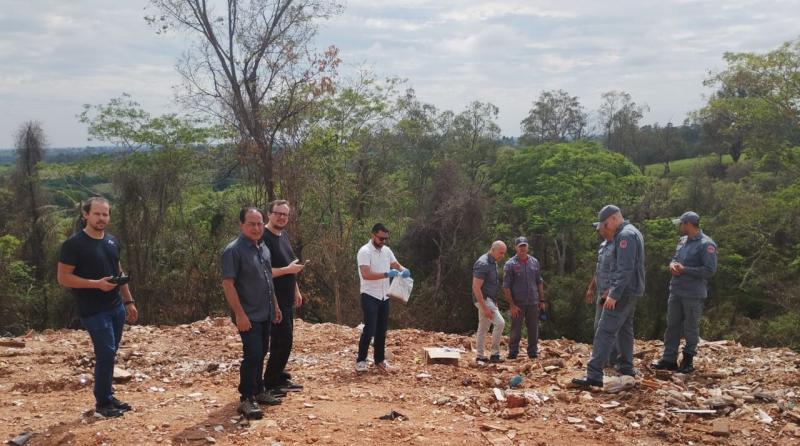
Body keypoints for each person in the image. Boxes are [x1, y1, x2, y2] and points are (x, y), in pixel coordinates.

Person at [57, 197, 139, 418]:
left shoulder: (112, 241)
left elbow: (119, 272)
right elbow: (64, 278)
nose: (102, 218)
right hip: (93, 310)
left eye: (105, 214)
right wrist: (96, 285)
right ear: (86, 215)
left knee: (110, 354)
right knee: (105, 354)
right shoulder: (74, 244)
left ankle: (109, 397)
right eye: (97, 214)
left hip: (116, 308)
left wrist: (129, 301)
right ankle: (102, 402)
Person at [573, 205, 645, 388]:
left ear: (613, 219)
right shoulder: (629, 232)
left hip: (622, 292)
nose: (604, 230)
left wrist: (613, 294)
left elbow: (625, 269)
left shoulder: (625, 236)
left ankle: (594, 374)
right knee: (625, 329)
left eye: (605, 225)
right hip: (629, 291)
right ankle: (626, 367)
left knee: (604, 330)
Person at [222, 207, 283, 419]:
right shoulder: (233, 250)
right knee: (253, 354)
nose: (257, 228)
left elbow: (268, 280)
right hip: (247, 314)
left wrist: (275, 305)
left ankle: (259, 390)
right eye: (251, 224)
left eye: (259, 223)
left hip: (265, 311)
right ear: (242, 225)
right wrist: (239, 314)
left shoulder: (263, 247)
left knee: (262, 351)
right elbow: (228, 284)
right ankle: (247, 398)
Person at [652, 211, 718, 373]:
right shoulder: (682, 241)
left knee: (690, 327)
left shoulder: (706, 244)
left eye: (681, 224)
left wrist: (685, 270)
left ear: (688, 224)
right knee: (672, 325)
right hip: (676, 290)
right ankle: (669, 359)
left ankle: (687, 361)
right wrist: (672, 265)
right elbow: (675, 258)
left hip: (693, 293)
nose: (680, 227)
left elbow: (710, 270)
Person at [263, 200, 306, 396]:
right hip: (273, 300)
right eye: (278, 213)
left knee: (285, 340)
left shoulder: (283, 235)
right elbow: (263, 271)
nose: (281, 217)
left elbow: (291, 265)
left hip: (287, 298)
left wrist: (296, 289)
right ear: (269, 214)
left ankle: (279, 376)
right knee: (281, 340)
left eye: (285, 215)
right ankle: (271, 382)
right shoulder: (263, 238)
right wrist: (288, 270)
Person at [355, 223, 410, 373]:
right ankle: (361, 360)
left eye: (386, 238)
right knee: (369, 329)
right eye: (380, 238)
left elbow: (395, 264)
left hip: (384, 295)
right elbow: (366, 274)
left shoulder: (386, 251)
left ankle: (379, 360)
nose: (383, 241)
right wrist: (386, 274)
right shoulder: (364, 251)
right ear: (373, 235)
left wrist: (403, 270)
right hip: (369, 295)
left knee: (381, 330)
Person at [502, 237, 545, 359]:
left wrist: (542, 300)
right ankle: (513, 352)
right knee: (515, 329)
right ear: (516, 247)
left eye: (524, 245)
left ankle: (532, 352)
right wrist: (512, 305)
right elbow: (506, 287)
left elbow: (539, 282)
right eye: (520, 246)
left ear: (527, 247)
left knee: (533, 328)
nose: (522, 248)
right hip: (518, 304)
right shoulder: (510, 264)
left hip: (533, 302)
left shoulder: (534, 262)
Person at [585, 229, 619, 368]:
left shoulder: (618, 246)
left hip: (611, 294)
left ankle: (612, 359)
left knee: (608, 326)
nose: (599, 230)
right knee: (598, 325)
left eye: (601, 227)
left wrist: (609, 291)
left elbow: (619, 271)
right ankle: (602, 357)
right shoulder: (604, 245)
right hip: (601, 291)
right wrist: (591, 288)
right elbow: (599, 270)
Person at [472, 241, 508, 363]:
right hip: (483, 299)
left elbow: (492, 284)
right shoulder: (483, 263)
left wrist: (494, 301)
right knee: (500, 323)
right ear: (493, 250)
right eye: (501, 253)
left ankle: (480, 356)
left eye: (504, 253)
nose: (502, 256)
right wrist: (485, 307)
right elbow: (476, 287)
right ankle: (495, 354)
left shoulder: (493, 262)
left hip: (489, 299)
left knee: (483, 328)